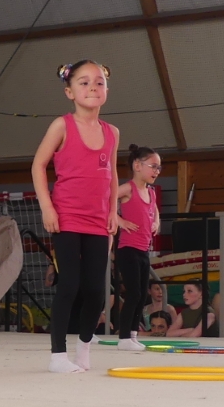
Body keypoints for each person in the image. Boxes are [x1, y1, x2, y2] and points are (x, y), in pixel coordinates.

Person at [31, 60, 119, 374]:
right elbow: (38, 165)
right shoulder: (62, 126)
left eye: (99, 82)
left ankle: (84, 346)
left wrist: (113, 212)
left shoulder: (112, 132)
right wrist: (47, 207)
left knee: (96, 289)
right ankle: (57, 355)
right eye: (84, 82)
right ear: (69, 91)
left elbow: (112, 175)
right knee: (69, 284)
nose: (93, 87)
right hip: (66, 216)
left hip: (99, 221)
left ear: (106, 90)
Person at [113, 144, 161, 352]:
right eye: (153, 166)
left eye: (159, 168)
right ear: (137, 166)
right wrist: (119, 220)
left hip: (143, 250)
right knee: (133, 293)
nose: (156, 171)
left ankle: (132, 335)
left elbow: (155, 211)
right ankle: (123, 337)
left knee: (142, 295)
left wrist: (156, 222)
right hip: (128, 249)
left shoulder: (151, 192)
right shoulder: (128, 189)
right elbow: (104, 201)